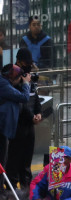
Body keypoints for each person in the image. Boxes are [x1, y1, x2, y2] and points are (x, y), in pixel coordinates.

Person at [6, 49, 43, 190]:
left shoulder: (28, 76)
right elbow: (19, 101)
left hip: (29, 126)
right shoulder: (12, 75)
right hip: (17, 125)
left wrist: (38, 112)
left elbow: (35, 97)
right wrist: (31, 116)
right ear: (19, 61)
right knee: (14, 162)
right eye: (26, 63)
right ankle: (11, 195)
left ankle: (26, 193)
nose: (28, 66)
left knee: (27, 162)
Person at [0, 65, 31, 167]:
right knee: (2, 161)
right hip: (2, 130)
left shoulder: (4, 82)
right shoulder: (3, 85)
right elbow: (24, 97)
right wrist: (26, 83)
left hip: (3, 129)